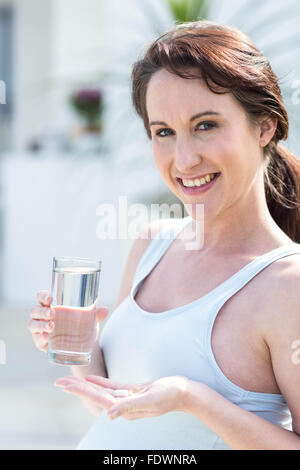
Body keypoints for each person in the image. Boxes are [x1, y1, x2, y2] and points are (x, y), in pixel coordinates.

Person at [28, 20, 300, 450]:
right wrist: (79, 342)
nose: (185, 159)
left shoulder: (288, 285)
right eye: (164, 133)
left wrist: (196, 400)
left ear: (264, 127)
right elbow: (119, 410)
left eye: (206, 125)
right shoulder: (152, 244)